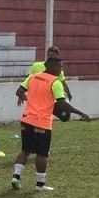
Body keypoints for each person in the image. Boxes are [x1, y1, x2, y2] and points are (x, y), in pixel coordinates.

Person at [11, 56, 90, 191]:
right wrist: (80, 113)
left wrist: (30, 101)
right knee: (42, 154)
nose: (61, 69)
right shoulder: (55, 82)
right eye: (59, 67)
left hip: (27, 119)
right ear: (50, 66)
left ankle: (16, 177)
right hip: (42, 122)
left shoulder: (33, 77)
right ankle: (40, 184)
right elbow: (62, 103)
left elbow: (19, 92)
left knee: (25, 150)